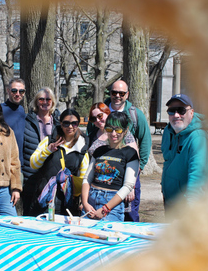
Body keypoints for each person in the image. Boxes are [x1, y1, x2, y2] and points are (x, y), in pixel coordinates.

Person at [88, 80, 151, 221]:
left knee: (129, 215)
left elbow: (144, 142)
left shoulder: (135, 114)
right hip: (100, 178)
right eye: (114, 92)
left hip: (127, 174)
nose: (117, 95)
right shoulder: (101, 110)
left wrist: (136, 174)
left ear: (127, 95)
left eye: (121, 93)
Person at [29, 109, 90, 216]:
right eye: (66, 123)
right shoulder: (49, 141)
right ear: (60, 124)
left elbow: (84, 178)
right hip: (44, 199)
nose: (70, 127)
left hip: (67, 204)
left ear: (78, 125)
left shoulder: (82, 147)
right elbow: (33, 164)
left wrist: (68, 181)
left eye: (74, 123)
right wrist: (48, 150)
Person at [82, 112, 140, 221]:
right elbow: (87, 179)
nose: (113, 134)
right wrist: (85, 203)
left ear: (125, 130)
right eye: (109, 129)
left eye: (118, 130)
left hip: (112, 204)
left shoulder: (130, 153)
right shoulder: (99, 150)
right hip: (91, 201)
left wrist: (106, 209)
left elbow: (128, 186)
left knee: (107, 237)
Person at [161, 93, 208, 216]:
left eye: (181, 110)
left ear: (191, 112)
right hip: (170, 202)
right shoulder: (168, 132)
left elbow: (197, 177)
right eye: (171, 111)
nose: (176, 115)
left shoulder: (198, 138)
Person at [22, 88, 60, 215]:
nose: (45, 102)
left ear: (53, 102)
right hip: (30, 175)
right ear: (36, 102)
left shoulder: (58, 122)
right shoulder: (27, 121)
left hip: (50, 175)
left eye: (48, 99)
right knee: (29, 213)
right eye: (41, 99)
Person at [1, 78, 26, 167]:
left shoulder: (22, 110)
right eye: (14, 91)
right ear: (8, 91)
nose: (18, 94)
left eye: (21, 91)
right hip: (4, 164)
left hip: (19, 164)